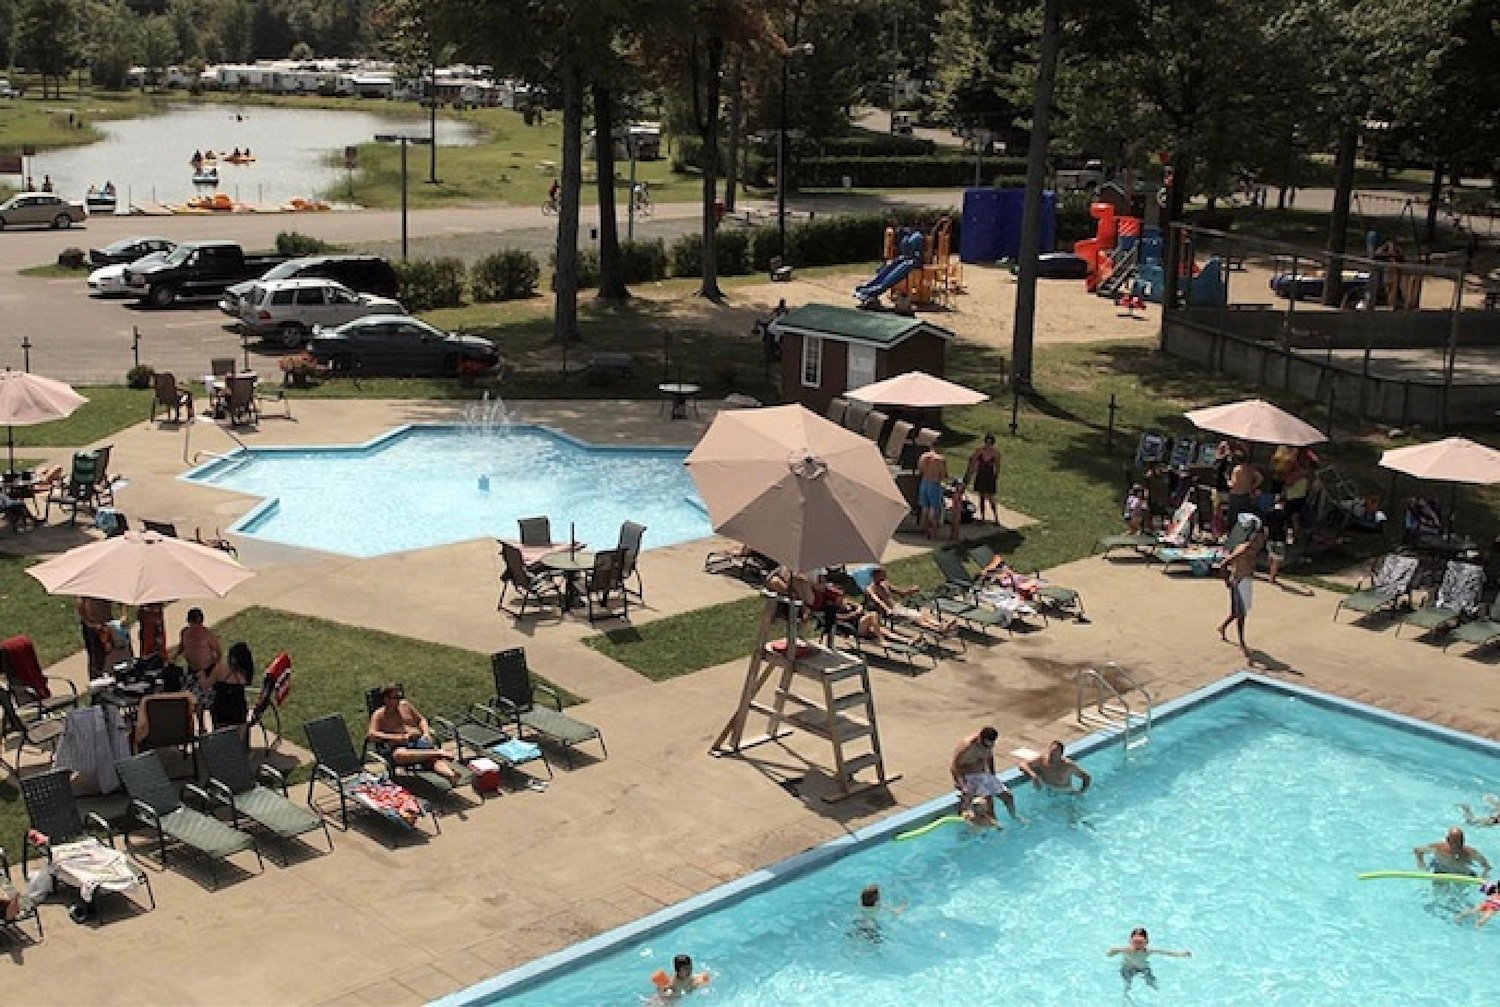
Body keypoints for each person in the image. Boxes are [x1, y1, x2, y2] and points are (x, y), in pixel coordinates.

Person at [366, 685, 462, 783]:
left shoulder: (405, 705)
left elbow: (421, 719)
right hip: (401, 747)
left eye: (400, 696)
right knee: (399, 755)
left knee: (431, 759)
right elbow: (371, 735)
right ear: (386, 699)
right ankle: (437, 753)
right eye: (396, 697)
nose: (399, 700)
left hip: (419, 741)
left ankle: (451, 775)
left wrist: (426, 733)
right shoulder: (379, 715)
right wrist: (397, 737)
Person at [1215, 515, 1265, 660]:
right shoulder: (1244, 548)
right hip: (1239, 582)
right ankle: (1242, 643)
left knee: (1236, 612)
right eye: (1258, 539)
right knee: (1241, 614)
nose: (1260, 542)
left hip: (1245, 581)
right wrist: (1227, 581)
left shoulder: (1252, 550)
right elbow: (1224, 564)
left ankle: (1222, 627)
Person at [950, 726, 1020, 822]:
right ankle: (990, 822)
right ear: (980, 739)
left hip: (982, 775)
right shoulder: (967, 747)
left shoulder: (989, 744)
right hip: (968, 776)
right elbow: (954, 766)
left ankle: (1014, 816)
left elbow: (990, 758)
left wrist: (993, 777)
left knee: (1008, 796)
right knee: (988, 802)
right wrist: (962, 785)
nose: (990, 747)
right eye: (987, 745)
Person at [865, 567, 958, 635]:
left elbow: (902, 593)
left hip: (898, 607)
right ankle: (939, 628)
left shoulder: (885, 584)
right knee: (916, 618)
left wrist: (911, 590)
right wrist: (887, 609)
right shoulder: (871, 589)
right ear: (875, 576)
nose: (885, 576)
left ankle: (940, 626)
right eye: (883, 575)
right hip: (889, 612)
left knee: (922, 615)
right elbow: (877, 600)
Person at [173, 607, 223, 732]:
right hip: (192, 671)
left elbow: (218, 651)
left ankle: (215, 727)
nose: (196, 627)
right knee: (196, 701)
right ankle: (201, 727)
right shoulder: (185, 633)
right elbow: (182, 647)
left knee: (211, 701)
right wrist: (174, 657)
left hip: (207, 671)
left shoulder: (207, 635)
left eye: (198, 623)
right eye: (194, 624)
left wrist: (214, 668)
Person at [1107, 927, 1191, 990]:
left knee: (1153, 984)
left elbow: (1165, 952)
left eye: (1140, 942)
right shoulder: (1125, 950)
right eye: (1135, 942)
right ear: (1130, 941)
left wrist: (1181, 954)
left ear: (1146, 942)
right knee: (1127, 985)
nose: (1138, 945)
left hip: (1142, 968)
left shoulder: (1147, 951)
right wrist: (1115, 951)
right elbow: (1110, 954)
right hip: (1127, 968)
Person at [201, 641, 253, 732]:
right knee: (239, 737)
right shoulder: (245, 673)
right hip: (239, 710)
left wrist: (201, 674)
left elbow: (205, 685)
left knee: (221, 735)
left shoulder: (221, 669)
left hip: (221, 710)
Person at [1018, 740, 1091, 793]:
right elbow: (1022, 764)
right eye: (1051, 753)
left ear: (1061, 755)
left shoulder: (1068, 766)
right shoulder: (1042, 760)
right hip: (1048, 791)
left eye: (1055, 754)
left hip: (1065, 793)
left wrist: (1081, 792)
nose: (1052, 756)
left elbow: (1087, 777)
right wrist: (1033, 775)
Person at [1415, 826, 1491, 876]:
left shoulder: (1470, 853)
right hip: (1441, 870)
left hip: (1461, 874)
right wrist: (1422, 866)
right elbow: (1418, 850)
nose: (1458, 845)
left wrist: (1483, 876)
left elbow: (1487, 867)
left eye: (1460, 842)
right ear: (1448, 840)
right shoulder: (1439, 848)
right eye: (1455, 842)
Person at [966, 435, 1001, 524]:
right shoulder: (979, 451)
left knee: (991, 498)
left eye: (990, 443)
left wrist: (995, 476)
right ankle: (982, 518)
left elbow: (997, 466)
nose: (988, 444)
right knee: (981, 497)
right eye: (987, 442)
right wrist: (971, 472)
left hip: (989, 476)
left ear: (992, 443)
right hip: (980, 475)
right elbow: (972, 460)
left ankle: (996, 518)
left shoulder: (996, 453)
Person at [1225, 447, 1262, 528]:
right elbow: (1260, 478)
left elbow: (1233, 484)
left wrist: (1227, 480)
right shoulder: (1250, 469)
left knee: (1234, 516)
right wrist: (1252, 486)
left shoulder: (1237, 469)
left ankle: (1232, 531)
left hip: (1236, 495)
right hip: (1245, 495)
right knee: (1244, 516)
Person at [917, 441, 947, 539]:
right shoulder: (940, 459)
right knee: (934, 509)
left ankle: (924, 530)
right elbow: (943, 474)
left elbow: (920, 470)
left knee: (925, 508)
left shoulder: (923, 457)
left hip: (924, 482)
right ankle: (933, 532)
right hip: (934, 483)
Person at [1264, 496, 1290, 584]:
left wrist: (1265, 537)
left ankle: (1270, 572)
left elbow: (1266, 527)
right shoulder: (1285, 514)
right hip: (1280, 539)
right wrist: (1289, 539)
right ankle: (1272, 577)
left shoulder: (1269, 512)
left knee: (1271, 556)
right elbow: (1287, 527)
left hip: (1270, 537)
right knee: (1277, 559)